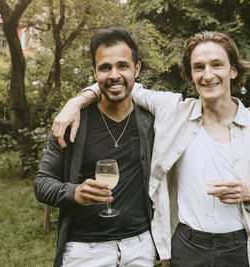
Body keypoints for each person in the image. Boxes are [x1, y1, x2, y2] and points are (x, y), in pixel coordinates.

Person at [53, 31, 250, 266]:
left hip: (241, 246)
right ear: (191, 74)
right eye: (199, 67)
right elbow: (120, 82)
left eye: (217, 65)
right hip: (186, 246)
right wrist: (78, 101)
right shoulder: (173, 111)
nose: (207, 74)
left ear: (233, 70)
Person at [34, 27, 158, 267]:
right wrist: (74, 192)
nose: (114, 75)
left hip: (139, 246)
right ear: (95, 72)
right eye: (105, 67)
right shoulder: (71, 121)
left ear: (137, 69)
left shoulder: (152, 121)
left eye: (123, 66)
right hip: (85, 249)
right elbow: (42, 183)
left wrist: (247, 116)